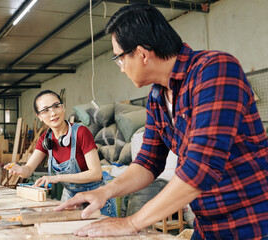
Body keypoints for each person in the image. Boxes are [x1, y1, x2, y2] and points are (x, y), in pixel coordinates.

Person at [55, 4, 268, 239]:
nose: (122, 69)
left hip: (253, 223)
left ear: (142, 54)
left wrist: (132, 222)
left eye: (120, 59)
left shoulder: (214, 70)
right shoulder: (157, 97)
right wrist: (105, 192)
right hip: (208, 226)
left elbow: (200, 168)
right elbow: (148, 162)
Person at [5, 90, 116, 217]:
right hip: (70, 197)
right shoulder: (45, 140)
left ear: (63, 107)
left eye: (56, 106)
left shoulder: (81, 133)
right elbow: (28, 169)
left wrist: (57, 178)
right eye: (45, 110)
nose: (53, 113)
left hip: (95, 197)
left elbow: (95, 173)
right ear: (39, 116)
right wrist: (19, 169)